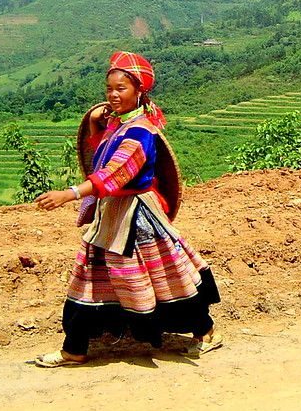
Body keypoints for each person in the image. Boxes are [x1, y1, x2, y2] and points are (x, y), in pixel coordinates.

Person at [33, 51, 221, 367]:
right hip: (113, 214)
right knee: (91, 279)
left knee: (167, 280)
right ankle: (75, 348)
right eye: (109, 89)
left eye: (121, 88)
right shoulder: (121, 126)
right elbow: (103, 156)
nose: (113, 95)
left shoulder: (140, 132)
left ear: (138, 91)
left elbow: (114, 173)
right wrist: (95, 124)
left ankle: (207, 332)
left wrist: (69, 194)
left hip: (137, 218)